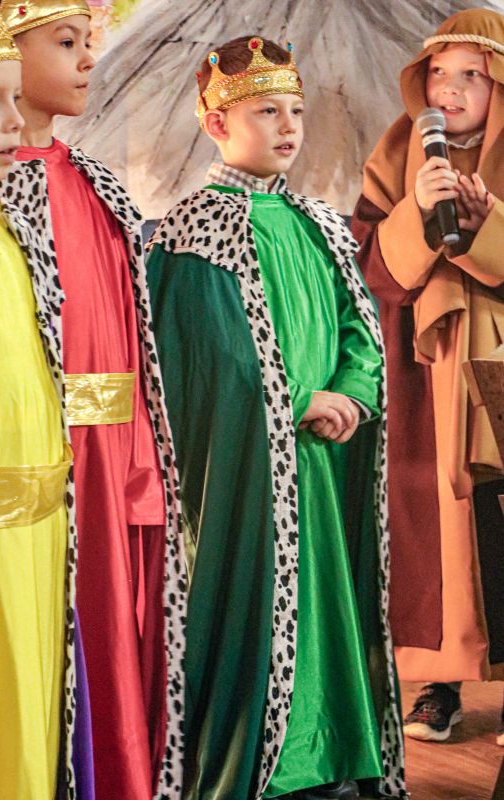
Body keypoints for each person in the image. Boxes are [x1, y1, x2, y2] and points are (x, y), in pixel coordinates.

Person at [145, 35, 406, 800]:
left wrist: (351, 394)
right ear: (215, 123)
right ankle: (269, 763)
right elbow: (209, 358)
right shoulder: (193, 233)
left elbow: (359, 328)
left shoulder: (318, 223)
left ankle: (334, 754)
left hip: (323, 462)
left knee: (327, 599)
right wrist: (298, 401)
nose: (288, 125)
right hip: (251, 465)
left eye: (293, 109)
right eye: (265, 111)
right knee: (257, 600)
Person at [0, 1, 186, 797]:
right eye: (64, 42)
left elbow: (133, 340)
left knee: (114, 626)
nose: (86, 60)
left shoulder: (97, 183)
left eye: (87, 42)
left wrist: (141, 459)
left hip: (113, 455)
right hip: (41, 456)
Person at [352, 7, 504, 744]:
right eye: (439, 73)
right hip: (424, 377)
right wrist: (417, 212)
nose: (450, 89)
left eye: (470, 75)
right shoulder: (397, 151)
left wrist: (485, 227)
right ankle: (436, 686)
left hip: (496, 371)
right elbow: (365, 265)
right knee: (427, 524)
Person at [0, 2, 74, 795]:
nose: (15, 119)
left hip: (33, 525)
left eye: (14, 98)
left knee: (29, 704)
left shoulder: (1, 224)